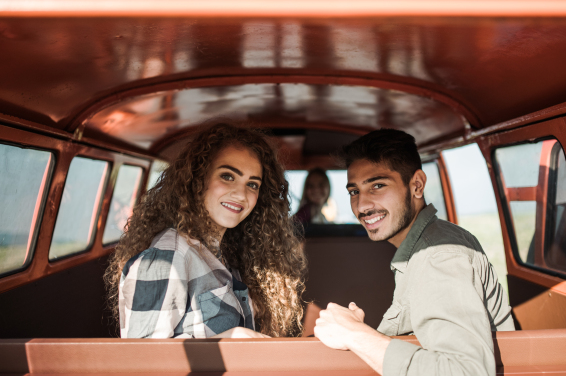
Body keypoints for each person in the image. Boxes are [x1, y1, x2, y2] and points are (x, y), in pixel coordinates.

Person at [314, 129, 514, 376]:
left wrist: (356, 334)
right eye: (354, 191)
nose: (362, 205)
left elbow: (467, 371)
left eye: (377, 185)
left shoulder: (438, 256)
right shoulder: (422, 250)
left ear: (416, 185)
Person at [104, 123, 306, 339]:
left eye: (252, 184)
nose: (240, 194)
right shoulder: (168, 257)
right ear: (198, 179)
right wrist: (229, 338)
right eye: (227, 176)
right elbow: (142, 364)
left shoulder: (229, 253)